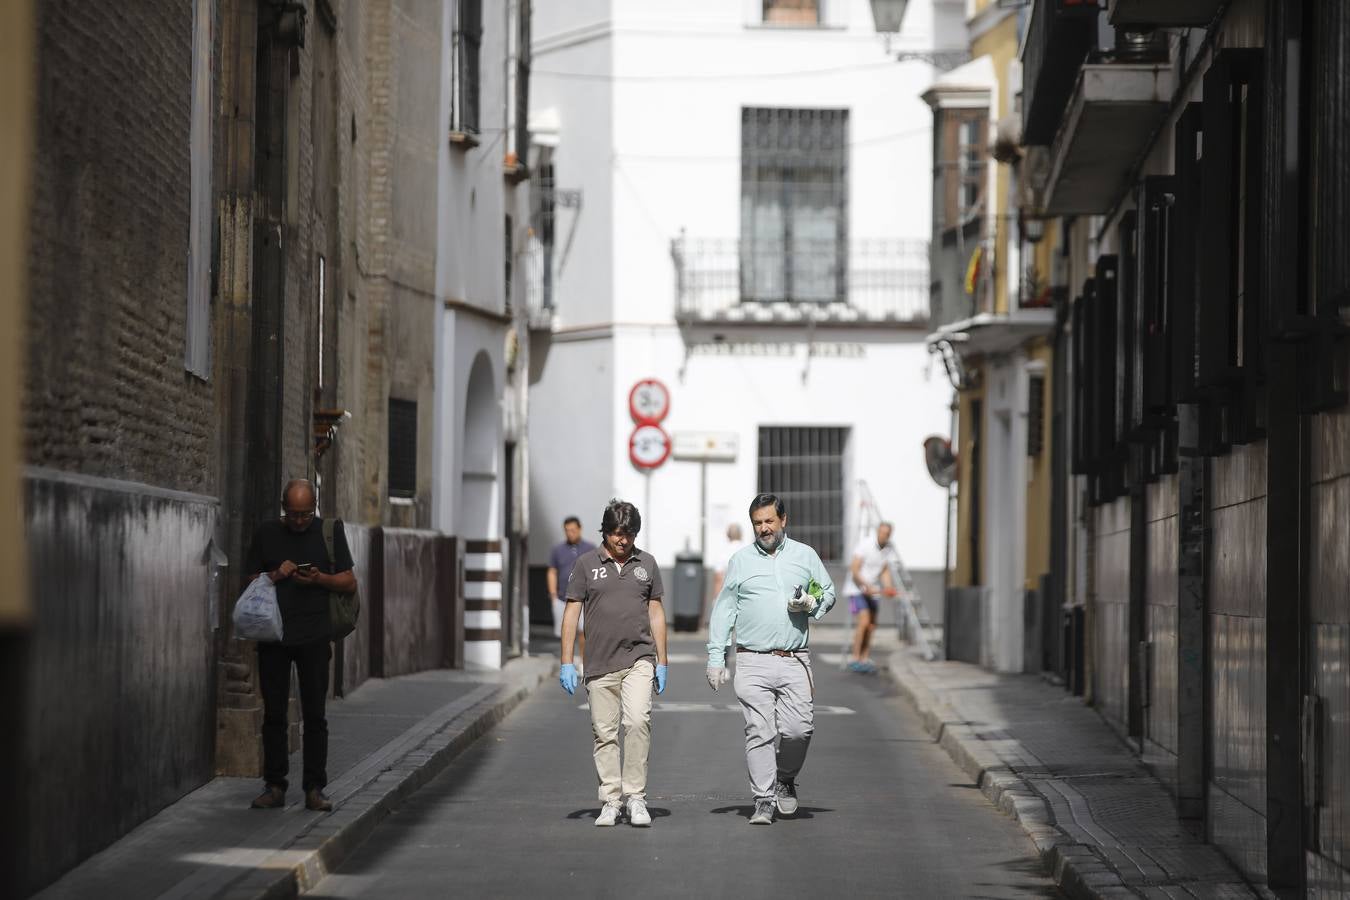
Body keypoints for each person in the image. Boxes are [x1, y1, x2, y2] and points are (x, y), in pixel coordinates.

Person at [705, 493, 835, 826]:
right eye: (758, 523)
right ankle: (763, 799)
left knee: (799, 730)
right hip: (752, 660)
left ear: (783, 520)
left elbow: (827, 592)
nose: (763, 528)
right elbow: (724, 610)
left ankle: (785, 778)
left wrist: (811, 603)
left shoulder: (805, 556)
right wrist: (716, 657)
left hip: (794, 659)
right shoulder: (741, 561)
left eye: (769, 521)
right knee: (759, 730)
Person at [243, 479, 358, 812]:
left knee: (315, 715)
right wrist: (276, 575)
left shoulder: (329, 532)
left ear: (315, 507)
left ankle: (314, 788)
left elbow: (349, 581)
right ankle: (275, 785)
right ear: (283, 508)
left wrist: (319, 579)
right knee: (275, 713)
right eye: (293, 514)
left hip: (315, 635)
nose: (299, 521)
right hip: (274, 636)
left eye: (305, 514)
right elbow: (249, 581)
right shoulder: (267, 533)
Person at [558, 499, 668, 827]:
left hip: (639, 658)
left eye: (630, 534)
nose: (623, 540)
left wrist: (663, 660)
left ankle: (635, 797)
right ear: (605, 531)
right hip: (598, 662)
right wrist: (567, 661)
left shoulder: (646, 563)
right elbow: (572, 612)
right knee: (604, 733)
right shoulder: (585, 564)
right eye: (618, 533)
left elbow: (656, 612)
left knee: (636, 722)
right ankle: (611, 799)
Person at [847, 522, 900, 673]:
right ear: (878, 531)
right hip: (857, 589)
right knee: (863, 622)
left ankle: (864, 657)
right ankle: (855, 657)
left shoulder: (888, 549)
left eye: (887, 534)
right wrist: (866, 585)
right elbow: (855, 569)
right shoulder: (865, 544)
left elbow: (884, 571)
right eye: (882, 532)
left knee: (872, 626)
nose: (884, 536)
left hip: (874, 590)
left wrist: (888, 587)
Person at [548, 515, 595, 666]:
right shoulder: (557, 550)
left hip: (583, 598)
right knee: (566, 632)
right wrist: (553, 595)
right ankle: (566, 663)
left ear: (579, 529)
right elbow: (552, 571)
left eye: (573, 530)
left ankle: (582, 662)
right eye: (567, 531)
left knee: (583, 631)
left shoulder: (590, 549)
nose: (570, 533)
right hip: (562, 598)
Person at [709, 522, 743, 601]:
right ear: (741, 535)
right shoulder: (748, 550)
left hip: (729, 596)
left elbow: (718, 577)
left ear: (727, 535)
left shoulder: (723, 552)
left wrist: (716, 600)